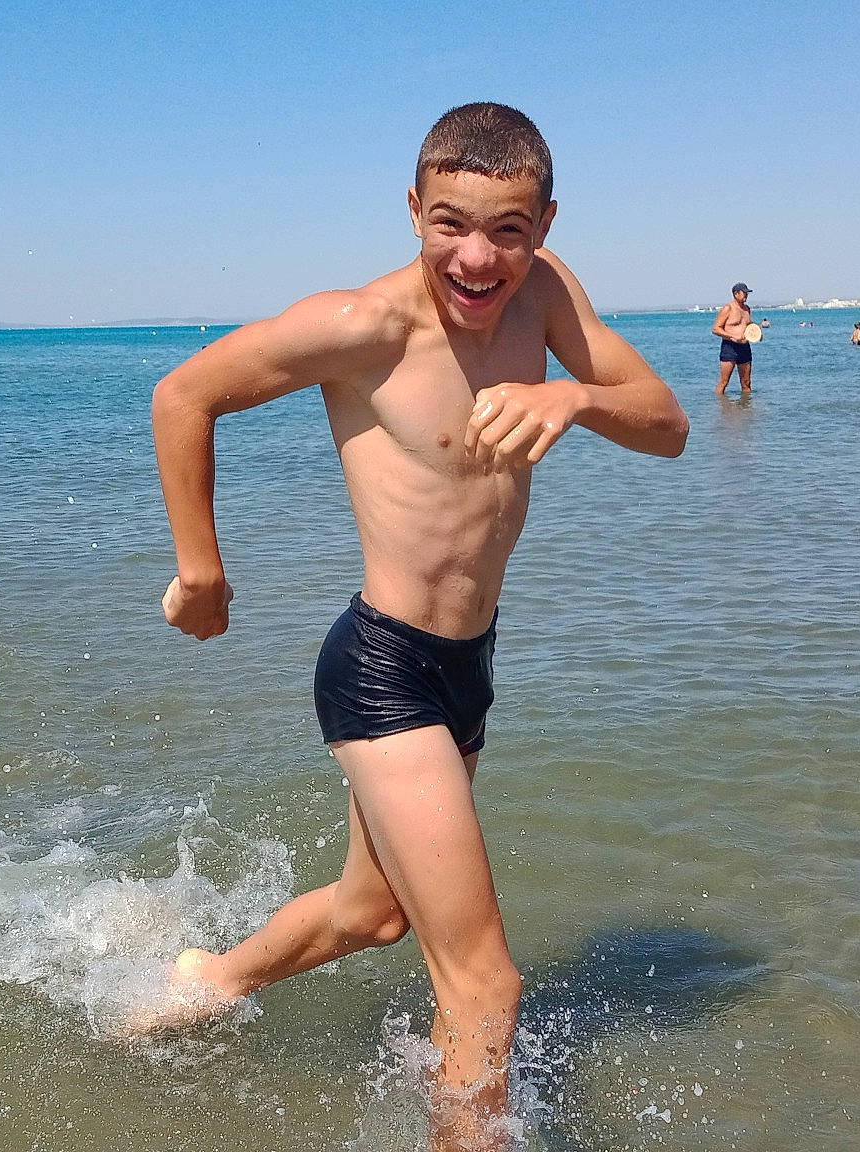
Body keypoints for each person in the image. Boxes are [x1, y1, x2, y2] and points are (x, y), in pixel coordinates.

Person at [143, 102, 688, 1150]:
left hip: (463, 666)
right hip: (380, 667)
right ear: (411, 211)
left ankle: (205, 983)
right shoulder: (364, 328)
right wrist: (201, 573)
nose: (479, 257)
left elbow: (663, 426)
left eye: (509, 230)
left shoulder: (548, 297)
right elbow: (183, 395)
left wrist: (573, 399)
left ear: (544, 223)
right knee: (483, 983)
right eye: (450, 224)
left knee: (371, 915)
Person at [713, 282, 753, 396]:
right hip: (730, 347)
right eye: (744, 293)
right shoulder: (728, 308)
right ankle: (721, 408)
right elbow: (716, 329)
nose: (746, 296)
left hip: (745, 347)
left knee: (746, 383)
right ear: (736, 294)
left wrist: (756, 333)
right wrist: (733, 337)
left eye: (747, 293)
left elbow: (749, 325)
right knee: (724, 382)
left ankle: (746, 409)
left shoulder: (747, 309)